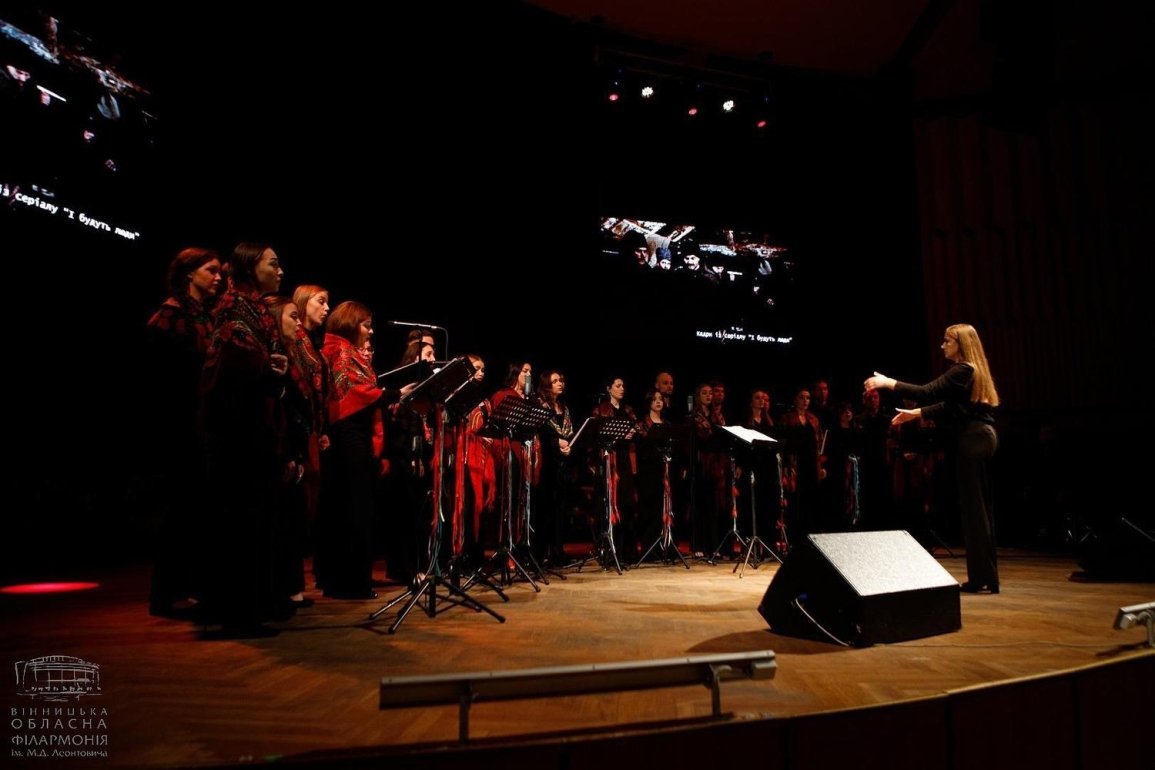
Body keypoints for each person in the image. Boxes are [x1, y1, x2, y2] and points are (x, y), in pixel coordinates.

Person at [865, 323, 1000, 593]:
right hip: (981, 436)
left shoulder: (962, 369)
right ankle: (987, 577)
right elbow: (950, 406)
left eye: (947, 341)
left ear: (961, 344)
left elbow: (926, 391)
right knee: (979, 510)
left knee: (974, 511)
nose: (942, 345)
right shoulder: (971, 371)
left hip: (973, 439)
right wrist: (916, 414)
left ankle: (982, 578)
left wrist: (887, 383)